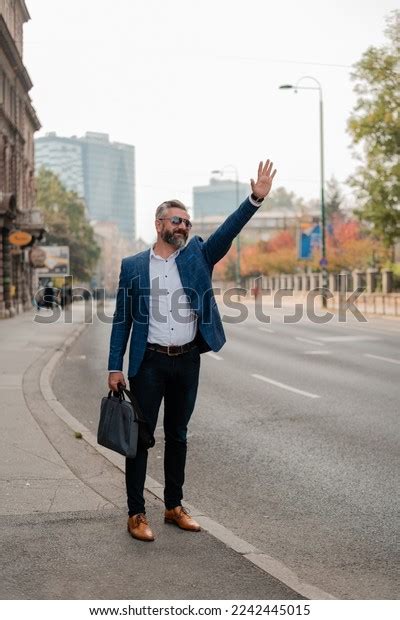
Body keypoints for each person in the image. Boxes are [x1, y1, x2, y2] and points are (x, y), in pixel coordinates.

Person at [108, 159, 277, 542]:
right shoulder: (133, 266)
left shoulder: (198, 255)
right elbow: (122, 321)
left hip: (186, 360)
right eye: (176, 220)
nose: (183, 226)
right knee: (139, 439)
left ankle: (173, 507)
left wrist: (254, 199)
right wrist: (113, 366)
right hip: (148, 362)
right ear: (159, 224)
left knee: (178, 435)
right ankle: (136, 513)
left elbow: (227, 232)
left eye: (186, 221)